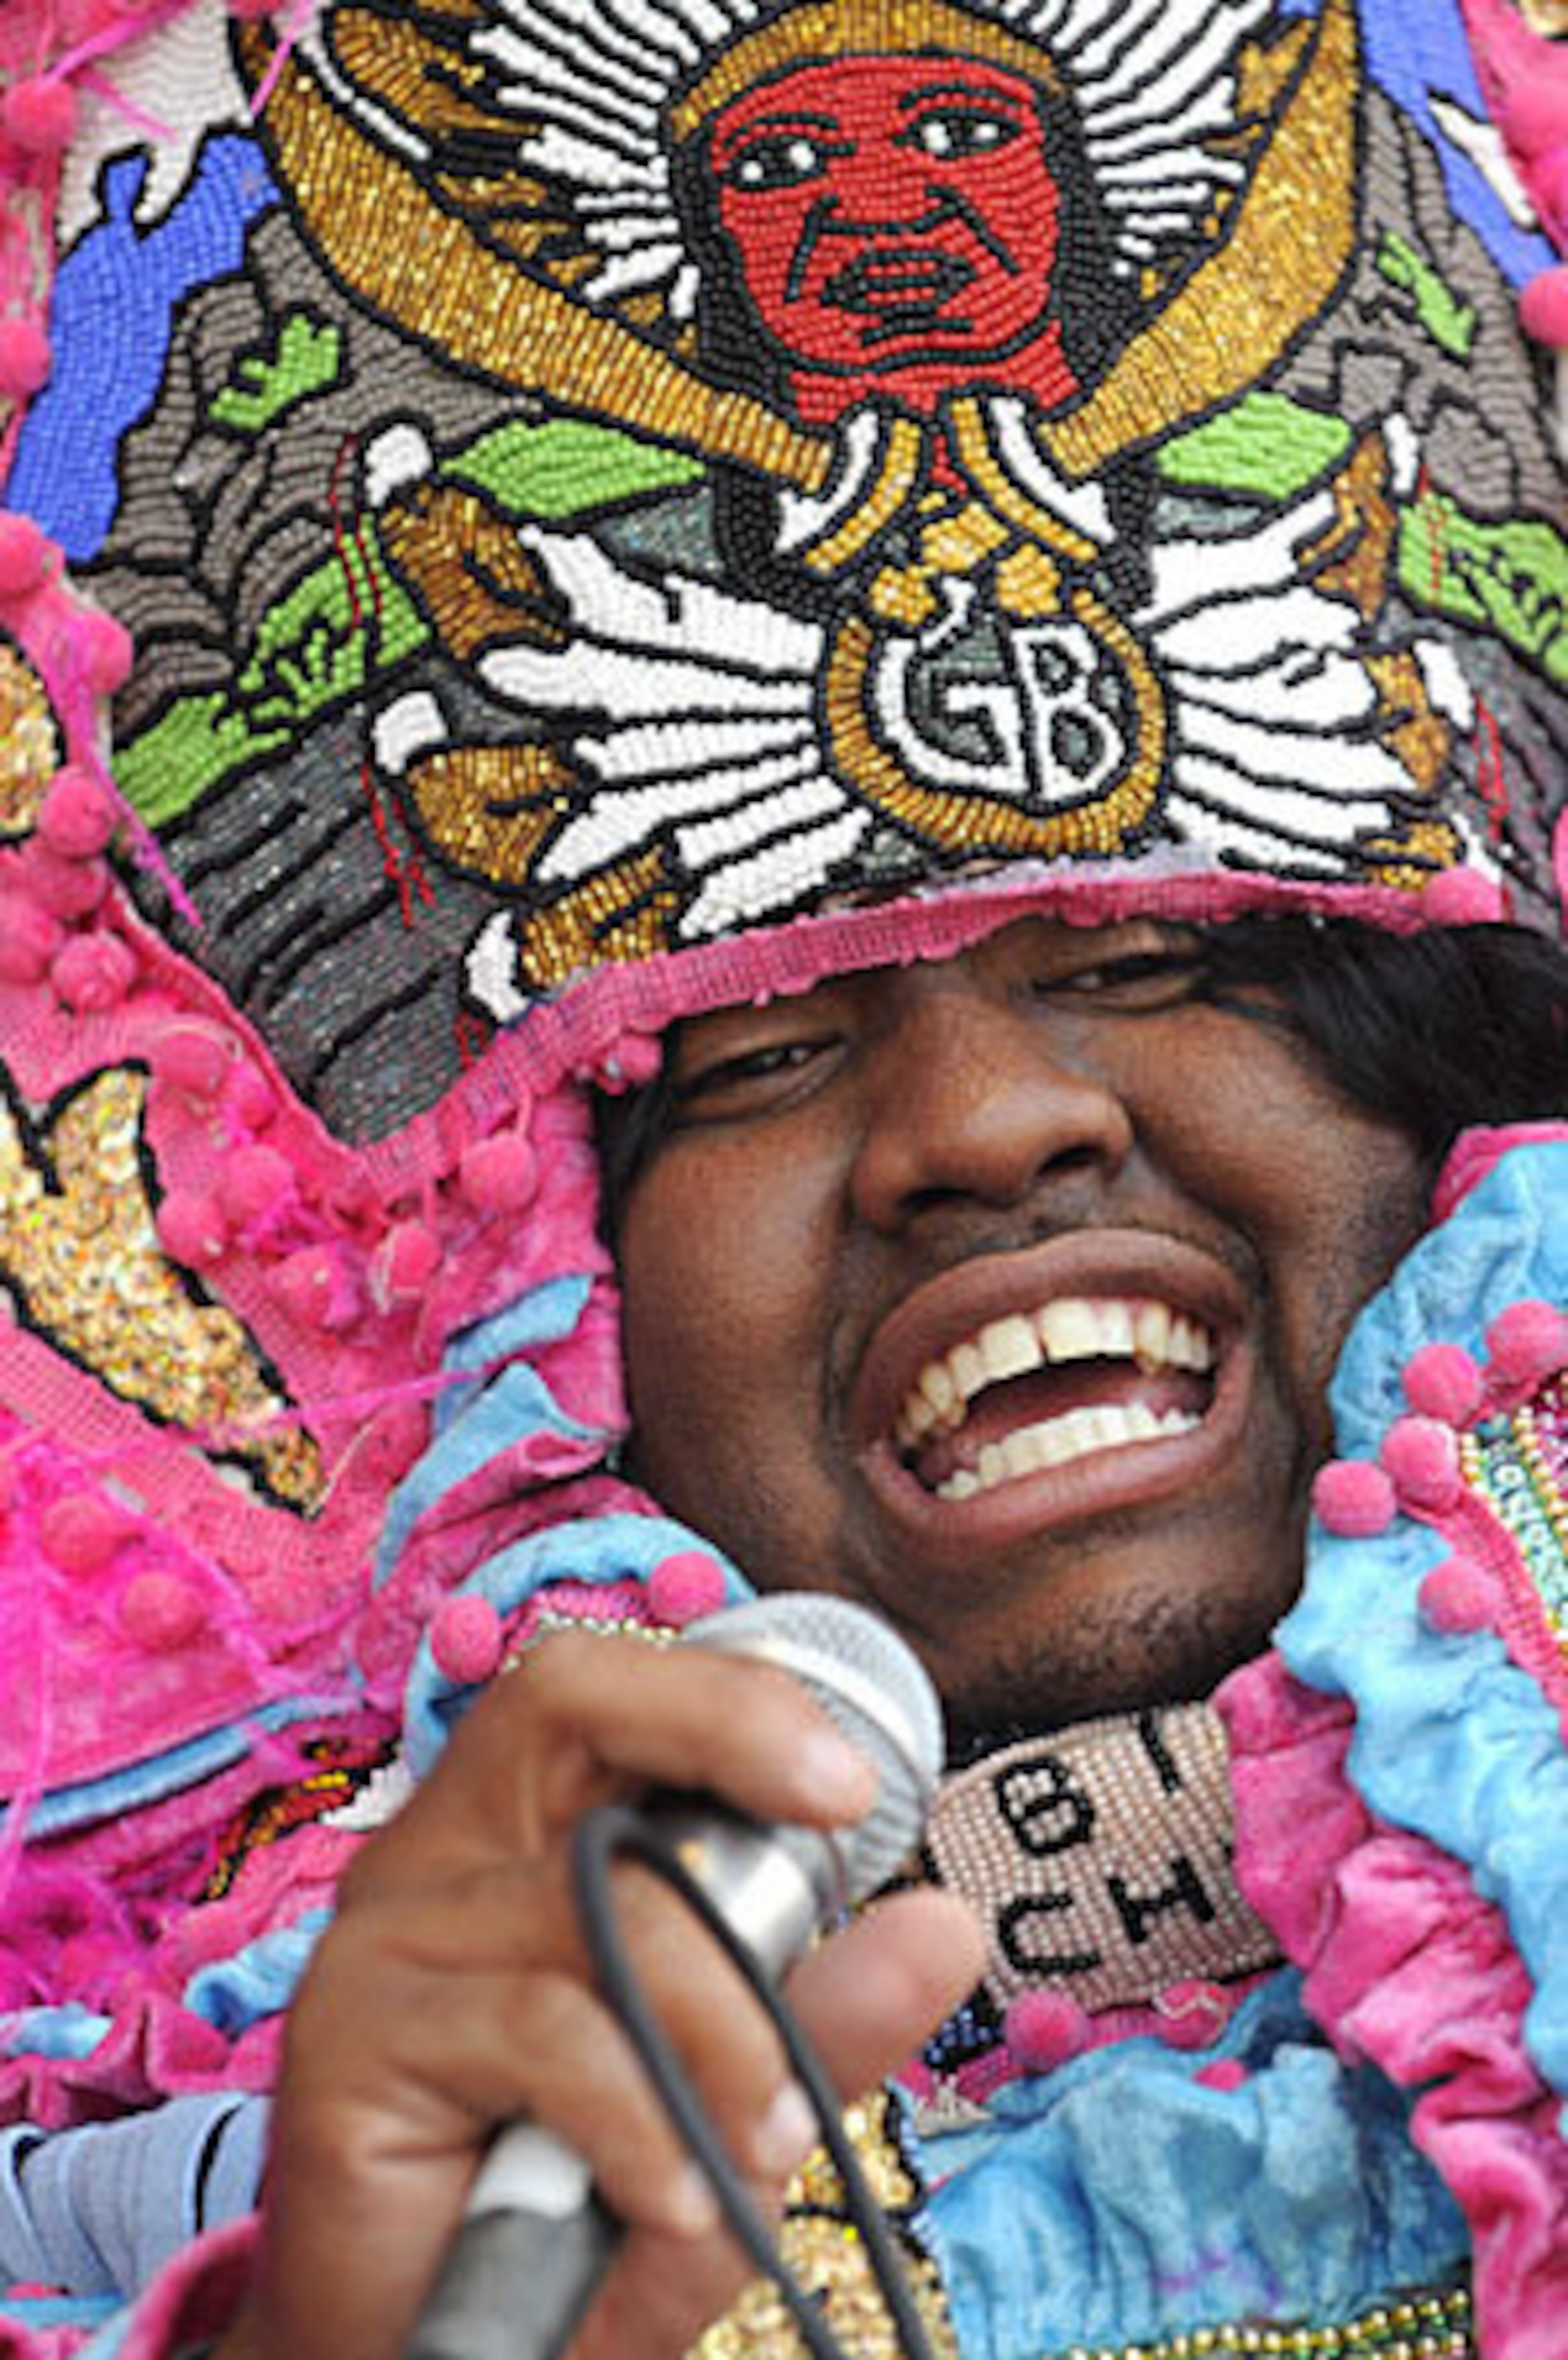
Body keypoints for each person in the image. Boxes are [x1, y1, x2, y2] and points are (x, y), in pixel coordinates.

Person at [2, 2, 1568, 2358]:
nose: (979, 1127)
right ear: (561, 1336)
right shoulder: (249, 2167)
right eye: (752, 1064)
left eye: (1151, 951)